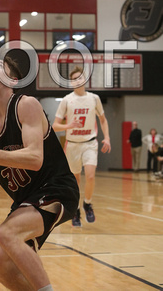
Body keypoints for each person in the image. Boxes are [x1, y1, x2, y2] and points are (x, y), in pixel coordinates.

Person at [0, 55, 79, 291]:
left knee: (7, 234)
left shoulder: (25, 104)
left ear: (13, 79)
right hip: (26, 200)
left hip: (57, 188)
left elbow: (35, 159)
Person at [52, 66, 111, 227]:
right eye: (74, 79)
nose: (77, 81)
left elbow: (103, 120)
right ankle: (76, 210)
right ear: (71, 83)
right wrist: (68, 125)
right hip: (72, 145)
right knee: (75, 180)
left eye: (79, 78)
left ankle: (88, 203)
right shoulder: (66, 100)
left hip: (90, 143)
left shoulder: (94, 98)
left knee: (90, 176)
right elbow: (55, 126)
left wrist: (107, 138)